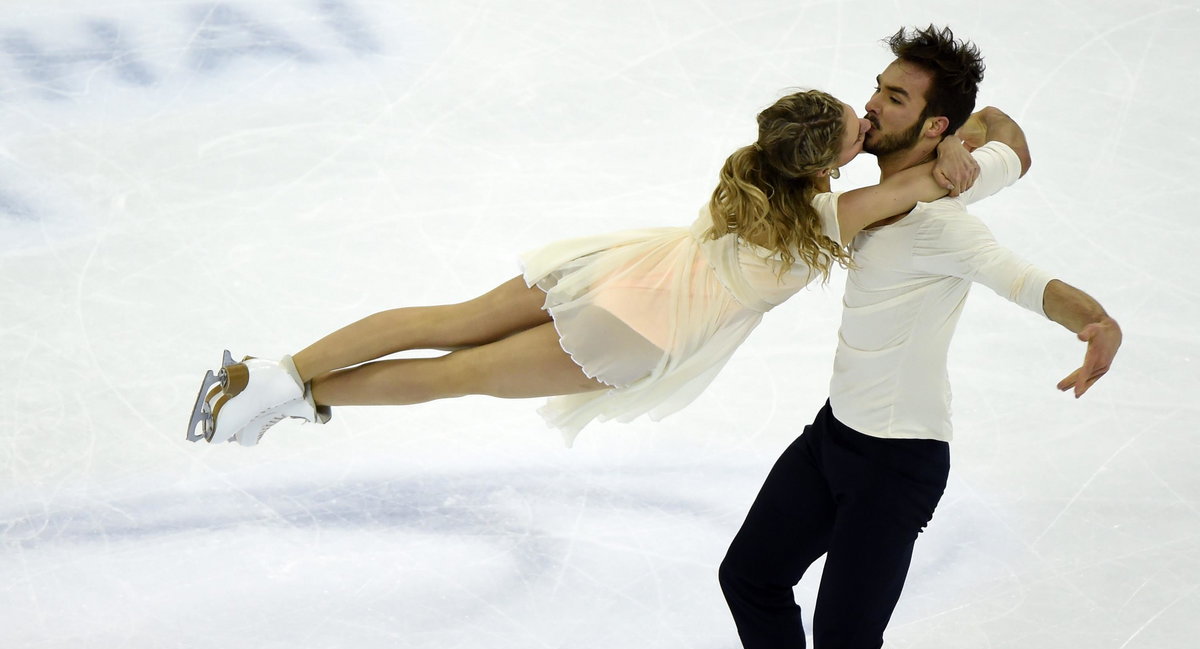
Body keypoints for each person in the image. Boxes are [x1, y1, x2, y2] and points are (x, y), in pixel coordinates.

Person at [185, 88, 980, 448]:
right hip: (633, 331)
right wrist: (952, 141)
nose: (867, 122)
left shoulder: (749, 170)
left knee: (446, 322)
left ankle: (278, 372)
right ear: (825, 163)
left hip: (613, 271)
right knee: (454, 373)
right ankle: (287, 397)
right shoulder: (825, 215)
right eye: (855, 126)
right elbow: (938, 170)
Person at [717, 26, 1123, 649]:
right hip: (834, 436)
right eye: (878, 87)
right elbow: (1007, 134)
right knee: (750, 576)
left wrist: (1097, 321)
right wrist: (965, 136)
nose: (872, 105)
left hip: (895, 467)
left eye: (896, 98)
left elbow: (1022, 279)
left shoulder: (943, 221)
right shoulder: (942, 166)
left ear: (930, 124)